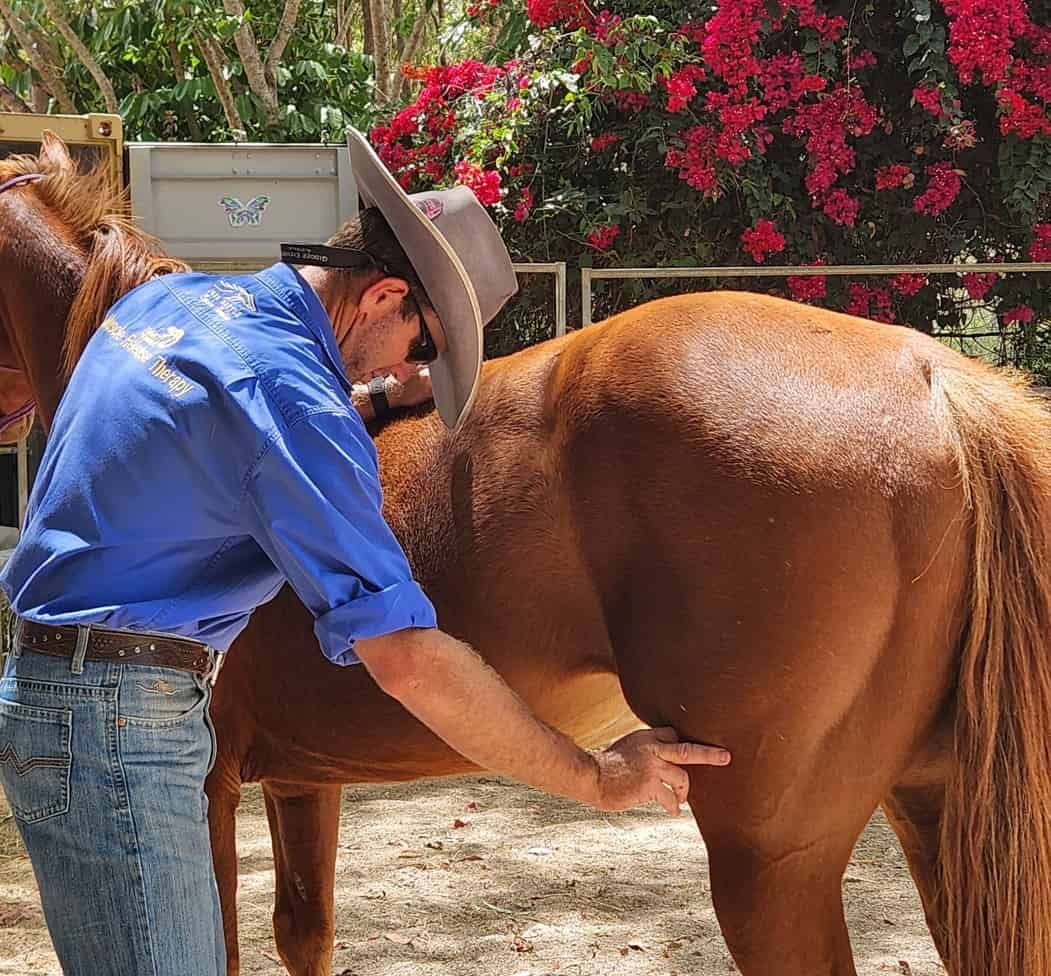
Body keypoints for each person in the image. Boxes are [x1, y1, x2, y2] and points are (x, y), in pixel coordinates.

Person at [0, 128, 730, 976]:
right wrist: (596, 778)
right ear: (384, 297)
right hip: (121, 726)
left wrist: (370, 399)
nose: (414, 366)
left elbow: (218, 427)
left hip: (59, 697)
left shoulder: (170, 307)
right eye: (424, 346)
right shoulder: (290, 403)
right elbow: (407, 660)